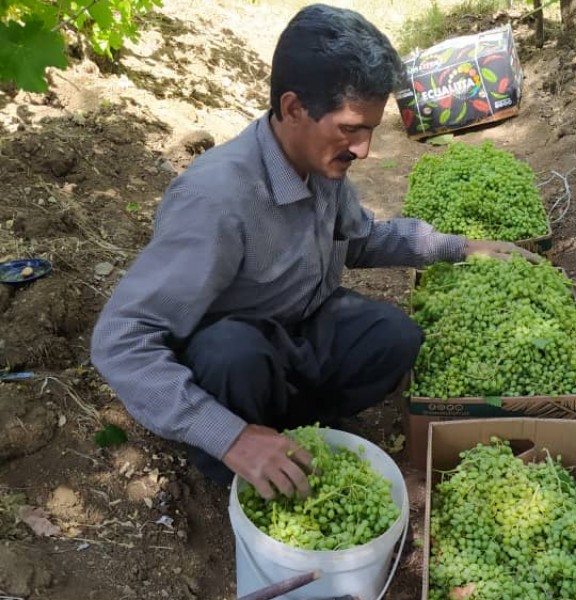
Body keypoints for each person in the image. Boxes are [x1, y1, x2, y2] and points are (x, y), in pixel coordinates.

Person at [90, 3, 535, 502]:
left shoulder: (320, 167)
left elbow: (361, 238)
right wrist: (229, 435)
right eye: (350, 128)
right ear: (294, 108)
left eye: (370, 129)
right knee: (232, 354)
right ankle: (238, 463)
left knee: (395, 337)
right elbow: (120, 340)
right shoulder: (215, 201)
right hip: (238, 356)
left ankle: (299, 433)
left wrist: (458, 248)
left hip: (299, 330)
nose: (364, 149)